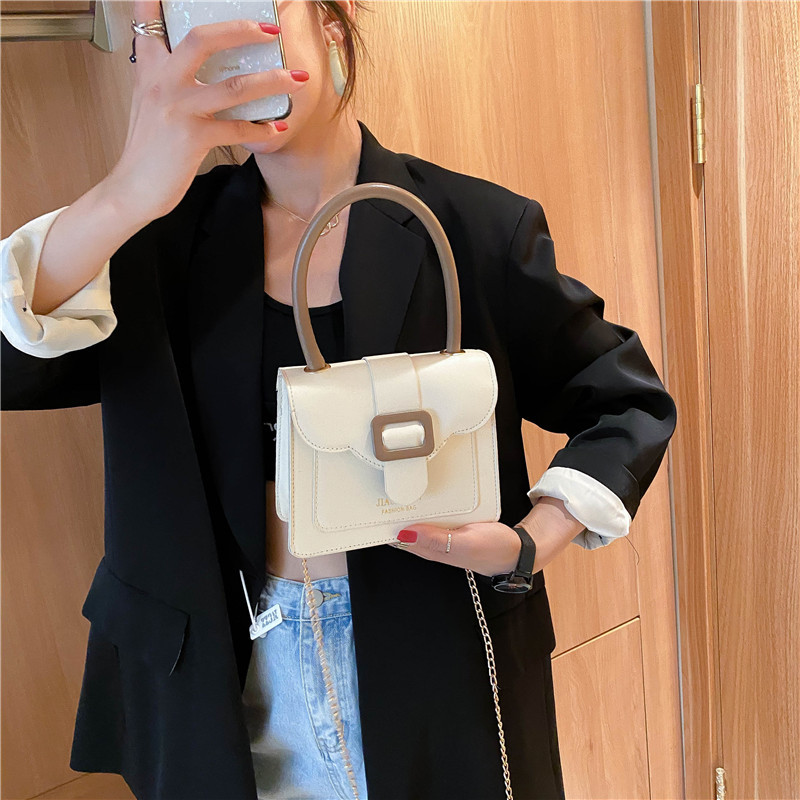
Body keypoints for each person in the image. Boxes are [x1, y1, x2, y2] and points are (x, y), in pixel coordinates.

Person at [0, 1, 677, 798]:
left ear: (331, 18)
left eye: (256, 5)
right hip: (220, 682)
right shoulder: (152, 240)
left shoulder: (474, 227)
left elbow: (625, 402)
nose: (235, 45)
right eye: (196, 15)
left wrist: (532, 541)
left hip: (432, 663)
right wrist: (127, 193)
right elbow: (16, 367)